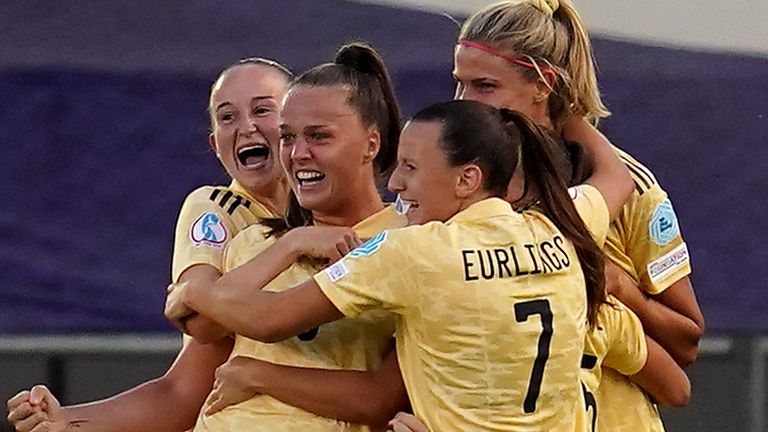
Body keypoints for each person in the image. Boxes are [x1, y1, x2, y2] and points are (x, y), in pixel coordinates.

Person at [165, 99, 636, 431]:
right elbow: (616, 175)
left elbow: (266, 320)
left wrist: (193, 290)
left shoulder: (412, 252)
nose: (396, 182)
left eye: (411, 167)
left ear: (467, 179)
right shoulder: (558, 227)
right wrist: (562, 104)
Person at [5, 58, 296, 432]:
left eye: (262, 110)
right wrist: (68, 421)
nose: (247, 127)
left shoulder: (358, 225)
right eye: (227, 117)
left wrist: (196, 293)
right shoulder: (217, 210)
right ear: (215, 144)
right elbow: (186, 378)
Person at [452, 1, 702, 430]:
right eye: (459, 84)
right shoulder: (453, 181)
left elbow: (686, 344)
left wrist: (620, 287)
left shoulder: (628, 187)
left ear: (543, 84)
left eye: (484, 86)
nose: (463, 102)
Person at [168, 42, 411, 432]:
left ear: (372, 143)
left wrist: (252, 371)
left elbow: (378, 399)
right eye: (287, 137)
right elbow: (203, 327)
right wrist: (292, 243)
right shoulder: (253, 241)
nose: (298, 154)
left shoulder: (407, 243)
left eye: (318, 136)